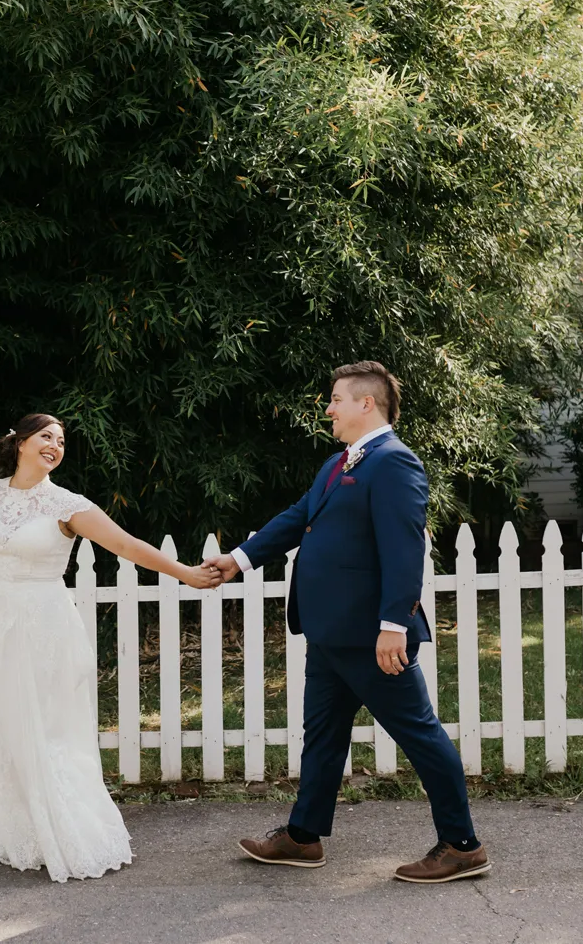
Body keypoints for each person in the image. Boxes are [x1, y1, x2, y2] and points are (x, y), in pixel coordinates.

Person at [204, 361, 489, 883]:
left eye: (336, 399)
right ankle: (303, 837)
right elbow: (298, 516)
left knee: (419, 735)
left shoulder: (395, 464)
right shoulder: (337, 465)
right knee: (323, 736)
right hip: (329, 633)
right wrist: (239, 558)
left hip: (370, 636)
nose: (329, 408)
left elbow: (405, 551)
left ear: (366, 404)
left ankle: (462, 845)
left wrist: (393, 625)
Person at [0, 412, 222, 882]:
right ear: (19, 443)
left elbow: (128, 546)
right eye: (45, 436)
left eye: (61, 440)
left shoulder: (67, 505)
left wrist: (186, 574)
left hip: (44, 624)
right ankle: (7, 826)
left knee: (46, 724)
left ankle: (64, 826)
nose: (55, 445)